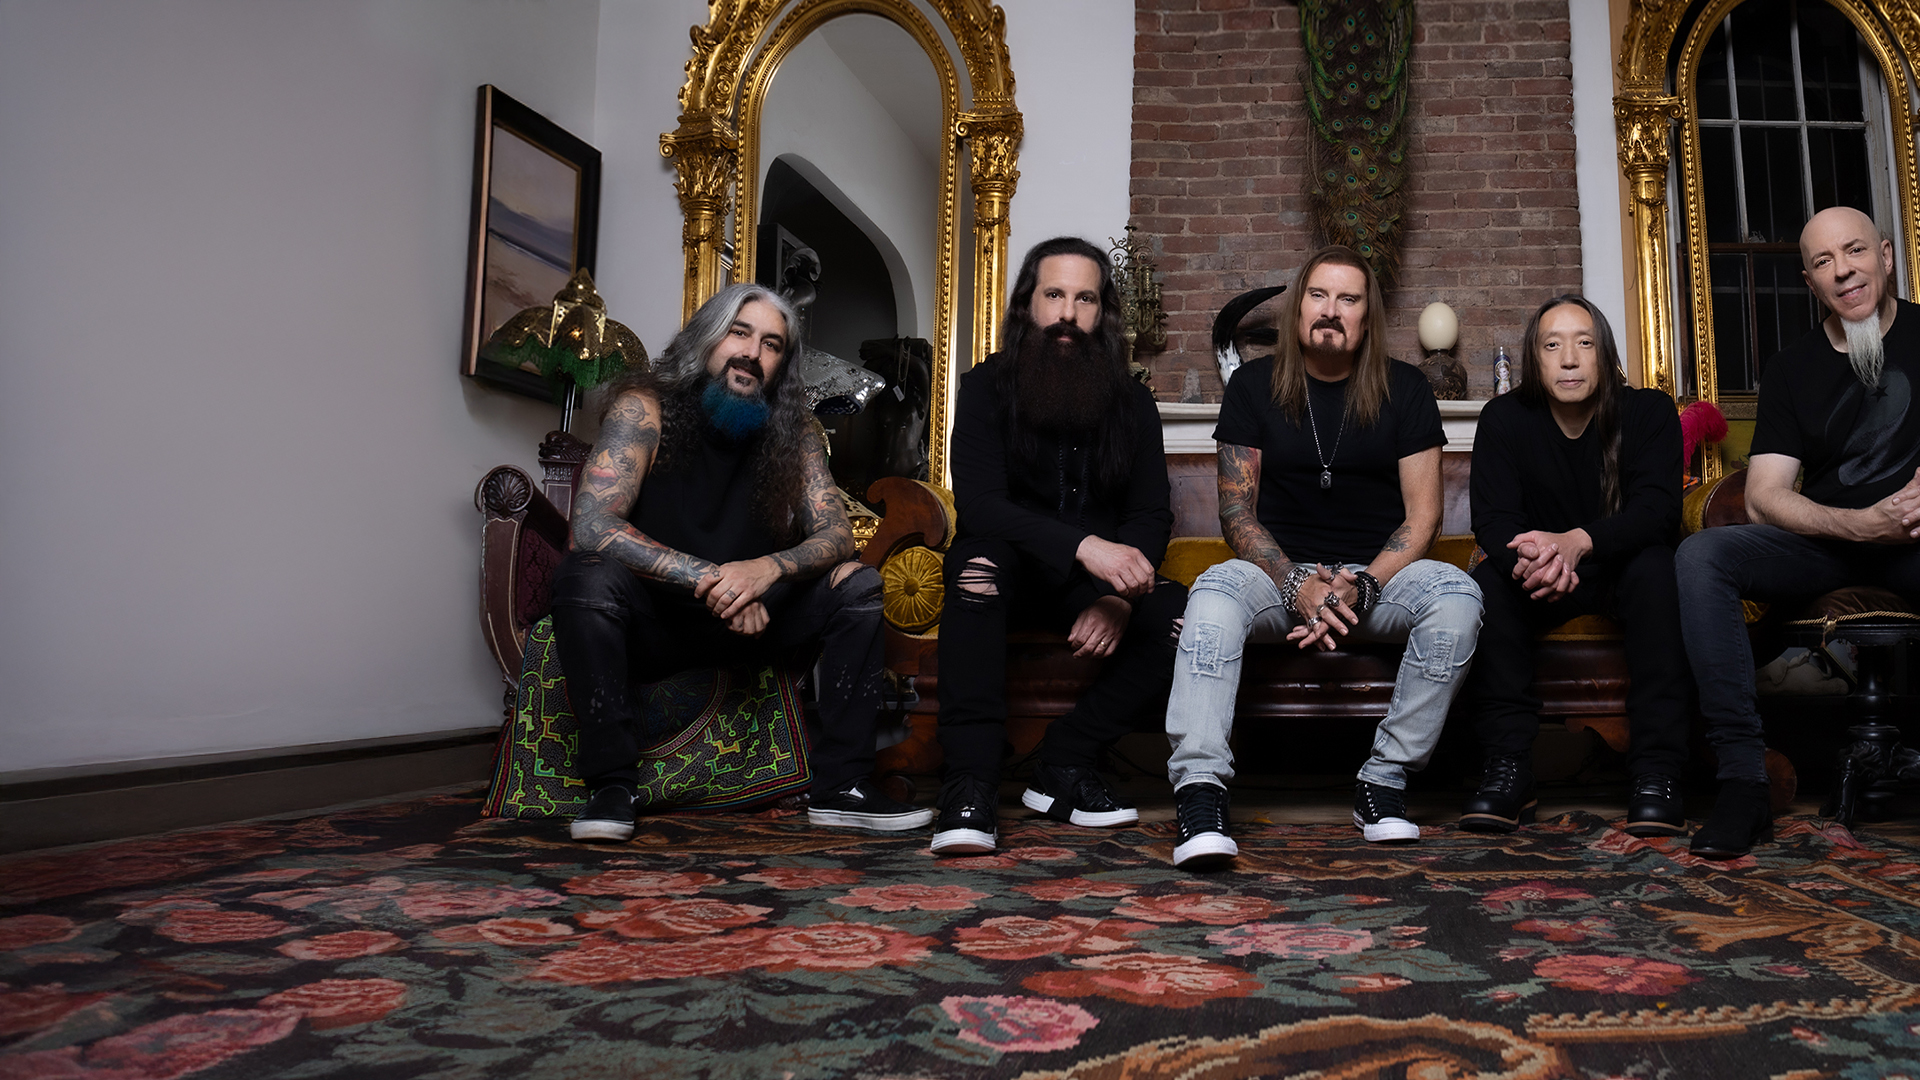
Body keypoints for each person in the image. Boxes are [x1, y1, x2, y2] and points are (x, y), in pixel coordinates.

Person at [549, 282, 931, 842]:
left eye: (772, 343)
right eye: (739, 332)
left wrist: (765, 572)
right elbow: (591, 525)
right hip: (658, 621)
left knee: (858, 584)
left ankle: (842, 788)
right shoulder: (645, 407)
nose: (752, 352)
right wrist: (714, 579)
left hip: (761, 623)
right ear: (707, 338)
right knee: (584, 575)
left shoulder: (795, 430)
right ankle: (612, 784)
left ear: (782, 363)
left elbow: (836, 533)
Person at [1163, 244, 1483, 868]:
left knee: (1458, 596)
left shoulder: (1407, 387)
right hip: (1277, 576)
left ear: (1368, 316)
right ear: (1298, 309)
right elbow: (1236, 513)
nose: (1330, 311)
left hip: (1379, 577)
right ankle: (1200, 791)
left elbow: (1424, 519)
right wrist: (1295, 583)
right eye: (1318, 296)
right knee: (1209, 595)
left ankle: (1384, 778)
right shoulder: (1254, 386)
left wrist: (1361, 585)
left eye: (1348, 299)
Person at [1677, 206, 1920, 858]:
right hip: (1829, 545)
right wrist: (1858, 525)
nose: (1843, 271)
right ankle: (1743, 785)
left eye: (1855, 251)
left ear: (1886, 256)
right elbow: (1764, 496)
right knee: (1703, 557)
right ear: (1810, 281)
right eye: (1823, 262)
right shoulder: (1792, 368)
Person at [931, 236, 1187, 856]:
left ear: (1103, 314)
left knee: (1188, 616)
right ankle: (970, 783)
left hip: (1090, 590)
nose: (1069, 313)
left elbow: (1152, 514)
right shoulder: (987, 387)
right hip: (1011, 573)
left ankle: (1066, 759)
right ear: (1028, 305)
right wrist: (1088, 548)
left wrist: (1121, 597)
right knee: (974, 566)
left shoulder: (1133, 401)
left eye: (1085, 298)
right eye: (1055, 295)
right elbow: (983, 506)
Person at [1459, 295, 1691, 836]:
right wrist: (1540, 556)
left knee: (1658, 570)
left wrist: (1578, 542)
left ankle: (1658, 771)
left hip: (1622, 568)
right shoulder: (1503, 418)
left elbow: (1658, 513)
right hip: (1537, 574)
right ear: (1534, 361)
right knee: (1485, 585)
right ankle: (1509, 769)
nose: (1569, 359)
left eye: (1584, 343)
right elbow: (1493, 521)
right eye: (1552, 345)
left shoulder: (1648, 412)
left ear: (1605, 356)